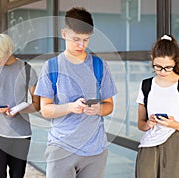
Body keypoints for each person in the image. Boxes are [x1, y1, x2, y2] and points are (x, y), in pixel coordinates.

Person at [34, 7, 117, 178]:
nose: (81, 45)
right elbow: (46, 110)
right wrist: (71, 107)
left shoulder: (99, 65)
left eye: (86, 40)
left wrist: (98, 109)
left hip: (95, 151)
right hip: (61, 148)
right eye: (76, 39)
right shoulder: (51, 67)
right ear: (64, 34)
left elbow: (109, 106)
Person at [135, 34, 179, 178]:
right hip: (148, 147)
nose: (162, 72)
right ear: (152, 58)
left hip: (175, 144)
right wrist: (148, 124)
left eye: (168, 67)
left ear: (175, 62)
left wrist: (173, 124)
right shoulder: (146, 85)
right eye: (158, 67)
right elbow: (140, 124)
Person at [0, 33, 40, 178]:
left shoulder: (27, 70)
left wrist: (20, 109)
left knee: (18, 175)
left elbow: (37, 105)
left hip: (21, 134)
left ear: (10, 50)